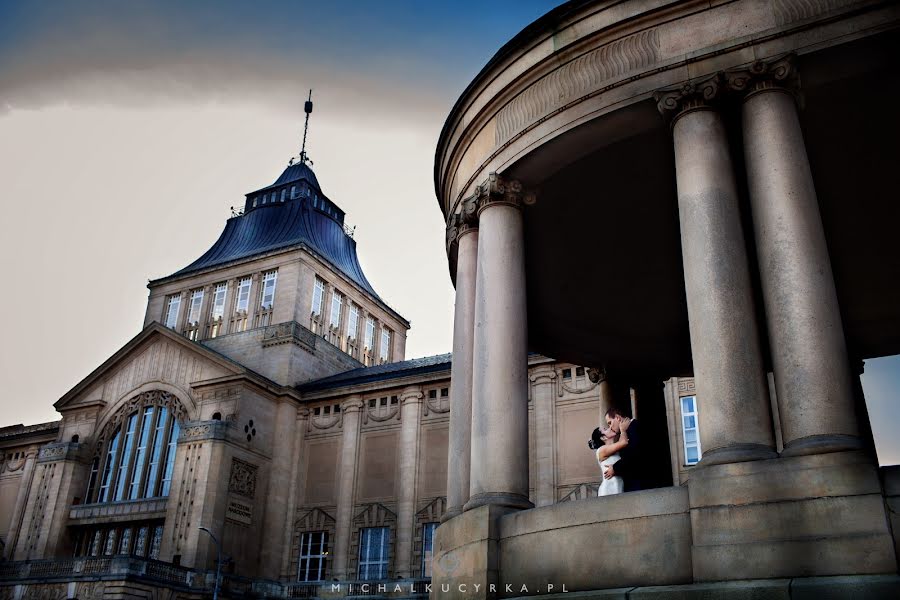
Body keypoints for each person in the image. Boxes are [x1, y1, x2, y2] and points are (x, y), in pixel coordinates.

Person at [602, 407, 647, 492]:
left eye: (610, 423)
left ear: (618, 418)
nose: (610, 427)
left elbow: (633, 455)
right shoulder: (628, 431)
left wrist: (615, 468)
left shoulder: (634, 428)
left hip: (640, 485)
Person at [590, 418, 631, 496]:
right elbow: (624, 442)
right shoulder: (601, 450)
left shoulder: (615, 448)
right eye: (605, 429)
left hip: (619, 486)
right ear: (603, 437)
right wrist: (623, 430)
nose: (610, 428)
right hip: (608, 489)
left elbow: (622, 442)